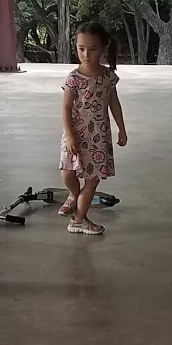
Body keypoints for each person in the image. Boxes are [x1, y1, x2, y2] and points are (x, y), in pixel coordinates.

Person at [59, 23, 128, 237]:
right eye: (81, 49)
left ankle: (79, 219)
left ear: (103, 48)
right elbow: (66, 107)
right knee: (67, 173)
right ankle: (74, 195)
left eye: (92, 49)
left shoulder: (108, 77)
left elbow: (114, 104)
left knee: (92, 179)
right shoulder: (74, 78)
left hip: (98, 137)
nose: (86, 54)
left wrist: (122, 129)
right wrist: (69, 135)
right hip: (75, 134)